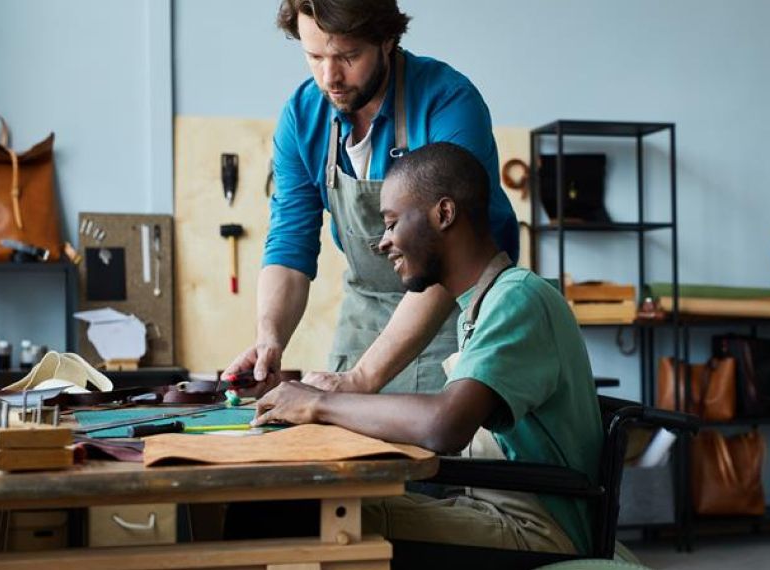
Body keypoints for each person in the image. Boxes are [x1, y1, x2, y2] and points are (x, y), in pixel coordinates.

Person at [252, 143, 603, 556]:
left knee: (295, 517)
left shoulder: (517, 299)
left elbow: (444, 426)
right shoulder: (482, 303)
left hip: (538, 532)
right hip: (494, 511)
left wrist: (318, 405)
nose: (383, 242)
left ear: (444, 214)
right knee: (315, 506)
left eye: (391, 223)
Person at [223, 0, 519, 396]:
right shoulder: (302, 115)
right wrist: (269, 340)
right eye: (314, 56)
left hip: (459, 318)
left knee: (441, 452)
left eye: (348, 56)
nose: (330, 77)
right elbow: (290, 242)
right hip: (366, 320)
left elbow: (449, 254)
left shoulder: (448, 102)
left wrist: (362, 381)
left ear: (388, 39)